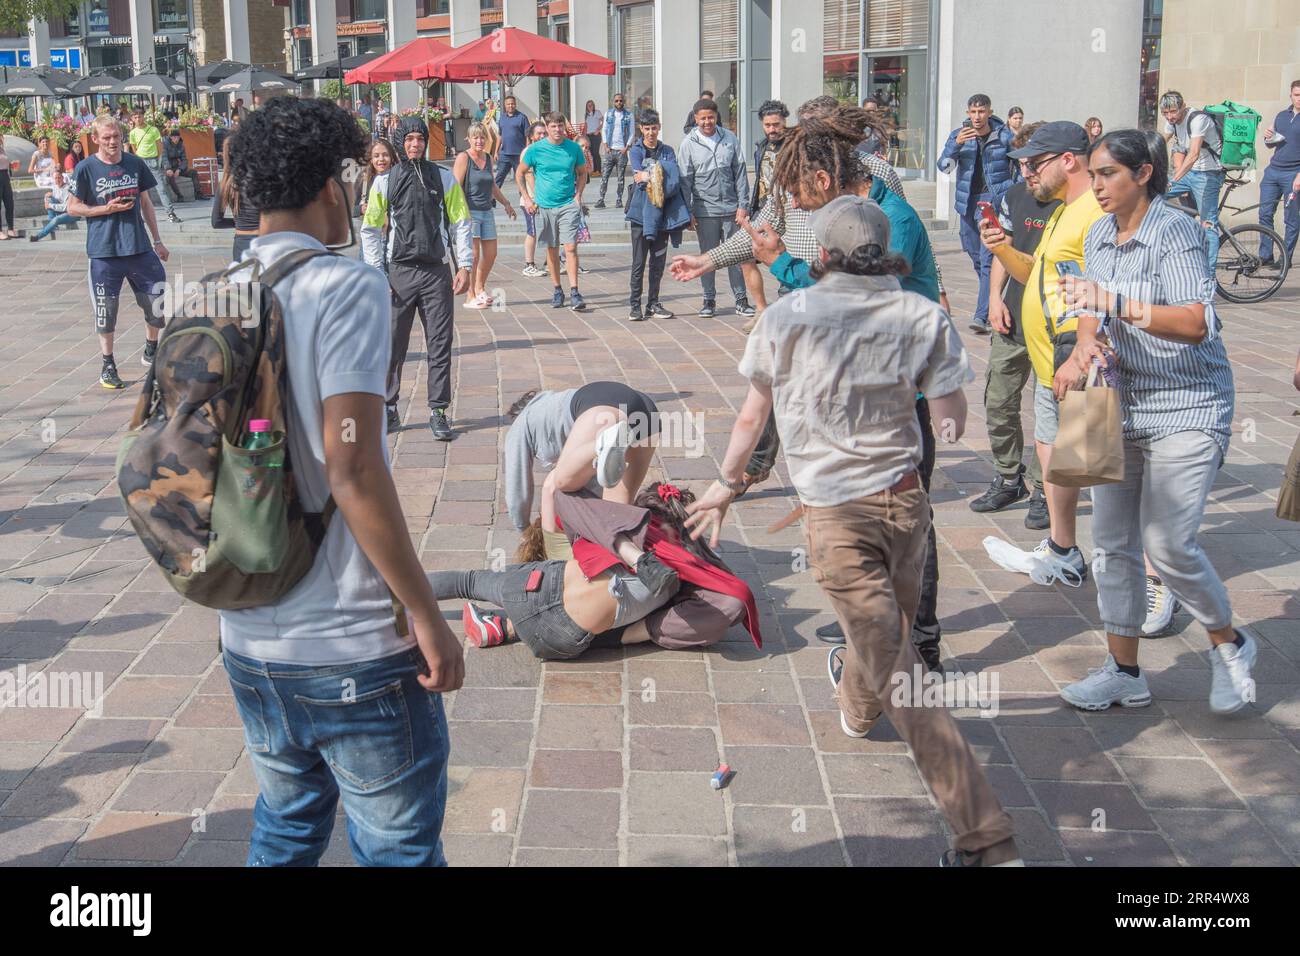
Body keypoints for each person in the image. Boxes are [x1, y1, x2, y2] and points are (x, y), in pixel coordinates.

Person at [685, 194, 1022, 868]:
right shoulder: (920, 314)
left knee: (904, 675)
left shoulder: (787, 314)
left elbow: (755, 417)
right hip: (905, 507)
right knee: (888, 642)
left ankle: (987, 840)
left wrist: (726, 486)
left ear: (824, 254)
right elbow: (950, 415)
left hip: (836, 517)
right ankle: (857, 708)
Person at [221, 97, 463, 866]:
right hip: (352, 645)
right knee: (396, 849)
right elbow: (352, 465)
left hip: (249, 638)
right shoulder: (345, 285)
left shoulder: (219, 289)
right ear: (332, 185)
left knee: (286, 827)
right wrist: (425, 611)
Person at [734, 106, 944, 667]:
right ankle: (877, 628)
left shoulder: (886, 218)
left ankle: (917, 641)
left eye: (802, 192)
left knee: (909, 524)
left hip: (899, 400)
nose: (800, 204)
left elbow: (858, 299)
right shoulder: (868, 212)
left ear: (825, 180)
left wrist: (780, 262)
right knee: (868, 516)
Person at [1053, 128, 1253, 715]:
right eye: (1092, 175)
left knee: (1166, 544)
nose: (1097, 186)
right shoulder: (1096, 233)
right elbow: (1090, 308)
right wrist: (1083, 347)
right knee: (1111, 545)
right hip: (1119, 403)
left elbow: (1196, 321)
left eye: (1108, 174)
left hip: (1189, 404)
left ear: (1143, 173)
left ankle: (1229, 642)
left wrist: (1116, 304)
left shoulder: (1177, 232)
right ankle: (1124, 672)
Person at [980, 121, 1106, 585]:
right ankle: (1062, 548)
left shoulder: (1094, 210)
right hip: (1052, 359)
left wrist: (1081, 354)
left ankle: (1137, 578)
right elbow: (1037, 272)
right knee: (1057, 454)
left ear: (1068, 160)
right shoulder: (1061, 209)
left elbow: (1103, 290)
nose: (1028, 172)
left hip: (1077, 360)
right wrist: (1003, 249)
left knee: (1098, 470)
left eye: (1036, 162)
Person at [435, 483, 760, 658]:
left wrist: (625, 548)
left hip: (533, 585)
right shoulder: (681, 569)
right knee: (605, 617)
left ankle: (390, 594)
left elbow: (560, 491)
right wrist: (703, 565)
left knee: (469, 580)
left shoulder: (615, 522)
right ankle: (505, 629)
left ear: (639, 512)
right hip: (562, 641)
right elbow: (733, 602)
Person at [970, 121, 1059, 530]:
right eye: (1021, 164)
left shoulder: (1070, 204)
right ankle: (1009, 477)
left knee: (1048, 414)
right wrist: (993, 300)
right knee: (998, 400)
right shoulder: (1013, 196)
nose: (1026, 172)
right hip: (1011, 317)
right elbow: (1000, 254)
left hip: (1054, 326)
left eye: (1033, 164)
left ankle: (1044, 490)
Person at [361, 115, 473, 440]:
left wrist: (464, 265)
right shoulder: (385, 181)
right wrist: (377, 273)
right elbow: (370, 230)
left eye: (420, 139)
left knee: (440, 343)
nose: (415, 144)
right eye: (409, 139)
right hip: (399, 273)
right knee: (393, 344)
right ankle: (389, 407)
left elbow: (461, 223)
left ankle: (438, 411)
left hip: (437, 272)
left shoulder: (444, 178)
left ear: (426, 142)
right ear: (400, 142)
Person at [64, 114, 170, 389]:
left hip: (138, 246)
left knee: (156, 299)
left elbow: (146, 203)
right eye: (107, 138)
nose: (113, 142)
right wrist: (103, 209)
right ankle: (108, 364)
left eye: (117, 137)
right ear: (96, 139)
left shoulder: (134, 164)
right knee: (106, 309)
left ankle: (151, 348)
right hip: (104, 251)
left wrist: (157, 241)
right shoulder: (86, 168)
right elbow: (72, 207)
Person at [504, 381, 661, 539]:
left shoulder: (521, 424)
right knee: (615, 519)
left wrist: (524, 530)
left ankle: (602, 443)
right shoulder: (557, 405)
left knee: (558, 482)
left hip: (604, 404)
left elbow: (516, 485)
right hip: (647, 414)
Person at [938, 94, 1016, 333]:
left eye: (981, 112)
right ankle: (993, 290)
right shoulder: (959, 135)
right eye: (973, 112)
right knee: (975, 254)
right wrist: (955, 145)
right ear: (968, 112)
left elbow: (1021, 165)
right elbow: (944, 167)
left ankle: (981, 315)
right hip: (967, 202)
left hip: (993, 202)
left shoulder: (1004, 136)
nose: (977, 117)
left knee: (988, 257)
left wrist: (1012, 193)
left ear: (989, 112)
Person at [679, 98, 753, 319]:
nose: (707, 122)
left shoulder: (729, 138)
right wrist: (688, 212)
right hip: (705, 212)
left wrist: (743, 206)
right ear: (695, 119)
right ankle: (708, 300)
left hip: (731, 210)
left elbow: (740, 175)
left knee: (737, 257)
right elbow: (685, 182)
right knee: (707, 258)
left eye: (710, 117)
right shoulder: (688, 144)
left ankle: (741, 300)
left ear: (716, 117)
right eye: (703, 118)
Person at [518, 111, 589, 311]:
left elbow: (583, 173)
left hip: (568, 205)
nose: (557, 130)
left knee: (571, 248)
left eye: (560, 125)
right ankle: (558, 288)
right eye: (553, 126)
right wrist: (528, 198)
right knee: (552, 249)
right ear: (547, 128)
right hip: (545, 206)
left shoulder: (573, 148)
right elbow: (520, 173)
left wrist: (578, 196)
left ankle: (575, 291)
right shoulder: (535, 150)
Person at [625, 109, 690, 321]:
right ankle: (635, 305)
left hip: (664, 214)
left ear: (659, 127)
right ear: (641, 129)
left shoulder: (668, 150)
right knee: (638, 262)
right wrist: (658, 173)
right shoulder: (636, 150)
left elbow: (673, 180)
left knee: (658, 262)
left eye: (654, 128)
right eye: (647, 129)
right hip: (640, 214)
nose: (651, 132)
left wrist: (650, 174)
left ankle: (653, 302)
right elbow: (638, 177)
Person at [454, 122, 517, 309]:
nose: (479, 141)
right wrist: (462, 211)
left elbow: (492, 185)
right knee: (473, 255)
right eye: (475, 137)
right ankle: (470, 295)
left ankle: (480, 287)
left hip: (486, 211)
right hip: (469, 211)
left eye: (482, 137)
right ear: (469, 139)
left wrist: (506, 203)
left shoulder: (488, 158)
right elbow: (456, 186)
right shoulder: (464, 157)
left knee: (491, 253)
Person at [1160, 90, 1225, 269]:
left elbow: (1194, 154)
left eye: (1173, 111)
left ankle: (1208, 279)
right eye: (1165, 113)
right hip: (1190, 173)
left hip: (1208, 173)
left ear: (1183, 107)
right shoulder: (1170, 123)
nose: (1170, 116)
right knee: (1153, 194)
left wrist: (1173, 180)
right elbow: (1159, 143)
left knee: (1208, 223)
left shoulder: (1198, 119)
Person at [1257, 79, 1300, 269]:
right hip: (1273, 172)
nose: (1299, 98)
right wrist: (1268, 136)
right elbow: (1271, 143)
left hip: (1293, 174)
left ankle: (1285, 258)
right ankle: (1265, 255)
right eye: (1297, 95)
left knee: (1291, 218)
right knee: (1264, 213)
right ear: (1290, 95)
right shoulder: (1282, 115)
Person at [211, 136, 260, 262]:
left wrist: (238, 222)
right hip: (262, 241)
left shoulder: (226, 183)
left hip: (241, 242)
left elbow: (216, 222)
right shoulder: (261, 180)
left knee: (244, 281)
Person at [360, 139, 397, 269]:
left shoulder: (398, 179)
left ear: (392, 157)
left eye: (385, 155)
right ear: (370, 159)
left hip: (391, 238)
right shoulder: (365, 180)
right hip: (372, 237)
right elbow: (350, 208)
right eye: (376, 156)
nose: (381, 159)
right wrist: (360, 208)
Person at [517, 121, 548, 277]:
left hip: (545, 199)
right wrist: (534, 198)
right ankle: (529, 264)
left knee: (549, 231)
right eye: (539, 133)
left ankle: (550, 262)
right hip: (532, 200)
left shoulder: (547, 150)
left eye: (544, 133)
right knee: (532, 231)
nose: (542, 136)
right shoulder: (528, 151)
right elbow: (528, 175)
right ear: (531, 136)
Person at [595, 93, 633, 209]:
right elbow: (604, 129)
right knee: (604, 176)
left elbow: (631, 132)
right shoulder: (609, 114)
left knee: (620, 178)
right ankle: (601, 199)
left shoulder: (629, 115)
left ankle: (619, 199)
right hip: (610, 150)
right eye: (616, 101)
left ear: (624, 102)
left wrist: (626, 147)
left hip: (622, 151)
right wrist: (606, 145)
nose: (619, 103)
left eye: (621, 101)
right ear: (613, 102)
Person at [28, 167, 78, 241]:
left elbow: (65, 207)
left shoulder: (68, 188)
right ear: (53, 179)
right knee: (49, 198)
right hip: (62, 210)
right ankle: (52, 223)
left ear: (63, 178)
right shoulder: (55, 187)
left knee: (56, 219)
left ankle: (38, 236)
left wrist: (50, 205)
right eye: (56, 178)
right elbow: (51, 198)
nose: (58, 180)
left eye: (59, 177)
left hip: (72, 213)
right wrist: (46, 200)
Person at [493, 94, 530, 188]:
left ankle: (524, 200)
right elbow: (500, 136)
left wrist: (527, 152)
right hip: (505, 154)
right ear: (505, 105)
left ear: (515, 104)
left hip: (518, 154)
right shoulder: (502, 118)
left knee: (521, 179)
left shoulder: (522, 117)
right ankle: (492, 200)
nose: (510, 106)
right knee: (499, 178)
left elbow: (528, 137)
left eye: (512, 104)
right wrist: (496, 152)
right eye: (508, 104)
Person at [161, 127, 198, 205]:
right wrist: (168, 168)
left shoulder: (181, 145)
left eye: (177, 137)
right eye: (174, 137)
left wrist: (180, 169)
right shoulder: (165, 144)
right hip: (167, 167)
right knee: (170, 176)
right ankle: (179, 196)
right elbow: (164, 157)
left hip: (177, 167)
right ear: (170, 137)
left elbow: (184, 160)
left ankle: (198, 193)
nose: (176, 139)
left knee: (193, 172)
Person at [0, 136, 15, 239]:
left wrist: (11, 165)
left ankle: (10, 229)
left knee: (9, 203)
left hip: (5, 176)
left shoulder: (2, 149)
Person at [583, 99, 603, 175]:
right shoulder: (586, 115)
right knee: (591, 153)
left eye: (591, 105)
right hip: (588, 136)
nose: (590, 106)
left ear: (593, 106)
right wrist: (584, 135)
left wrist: (598, 129)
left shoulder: (597, 112)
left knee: (596, 153)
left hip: (596, 136)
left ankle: (598, 170)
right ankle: (594, 170)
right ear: (587, 107)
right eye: (588, 105)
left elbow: (603, 121)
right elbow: (586, 126)